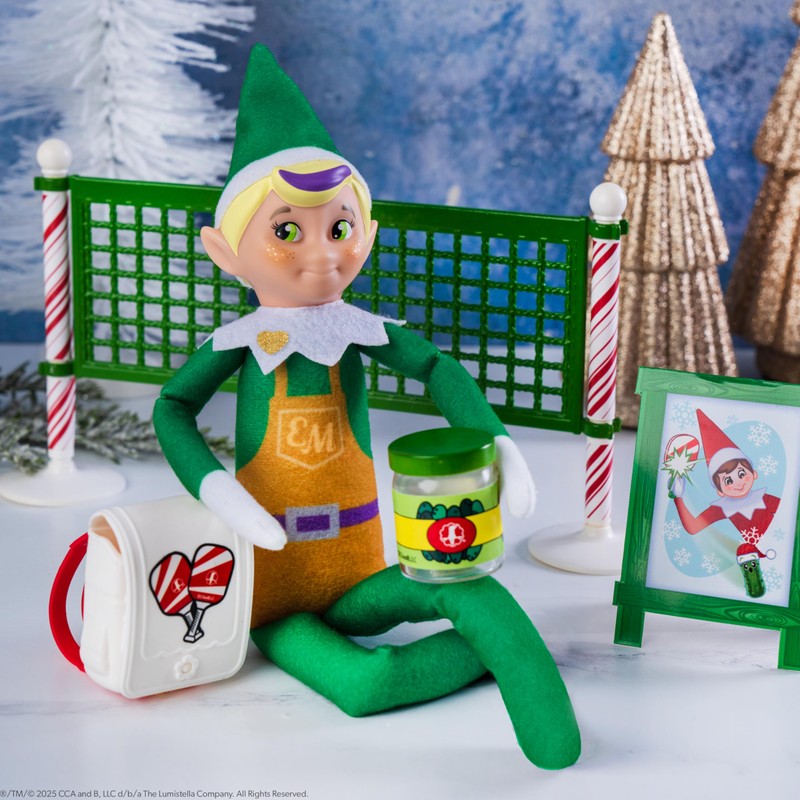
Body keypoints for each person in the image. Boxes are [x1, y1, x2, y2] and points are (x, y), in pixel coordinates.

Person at [153, 44, 579, 769]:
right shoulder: (239, 342)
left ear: (367, 233)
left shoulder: (360, 329)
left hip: (360, 568)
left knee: (471, 593)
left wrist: (498, 442)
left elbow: (438, 368)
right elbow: (172, 408)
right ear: (225, 251)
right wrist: (220, 491)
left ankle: (521, 670)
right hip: (274, 594)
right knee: (366, 683)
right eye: (286, 231)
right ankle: (492, 654)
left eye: (339, 228)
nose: (322, 254)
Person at [670, 410, 779, 592]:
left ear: (754, 474)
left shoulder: (768, 500)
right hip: (748, 558)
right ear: (720, 491)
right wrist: (679, 497)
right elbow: (693, 527)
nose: (737, 483)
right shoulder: (722, 508)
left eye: (741, 473)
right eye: (728, 480)